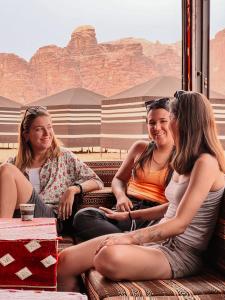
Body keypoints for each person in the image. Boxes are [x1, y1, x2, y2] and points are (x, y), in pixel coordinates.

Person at [57, 91, 225, 291]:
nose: (167, 124)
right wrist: (128, 215)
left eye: (170, 118)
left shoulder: (206, 163)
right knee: (65, 261)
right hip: (158, 241)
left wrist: (128, 237)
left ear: (184, 121)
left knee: (107, 257)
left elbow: (180, 224)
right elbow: (171, 207)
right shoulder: (185, 161)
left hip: (179, 253)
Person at [73, 98, 175, 241]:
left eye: (163, 121)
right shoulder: (140, 148)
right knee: (83, 216)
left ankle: (122, 241)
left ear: (174, 122)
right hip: (127, 208)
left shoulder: (182, 156)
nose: (156, 127)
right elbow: (119, 179)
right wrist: (121, 196)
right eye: (151, 123)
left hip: (154, 216)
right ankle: (130, 241)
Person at [0, 106, 103, 234]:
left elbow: (97, 181)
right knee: (6, 170)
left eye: (49, 127)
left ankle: (3, 236)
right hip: (20, 218)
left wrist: (73, 189)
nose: (47, 133)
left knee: (6, 170)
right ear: (26, 135)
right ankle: (6, 233)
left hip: (50, 219)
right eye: (39, 129)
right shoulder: (15, 163)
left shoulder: (64, 157)